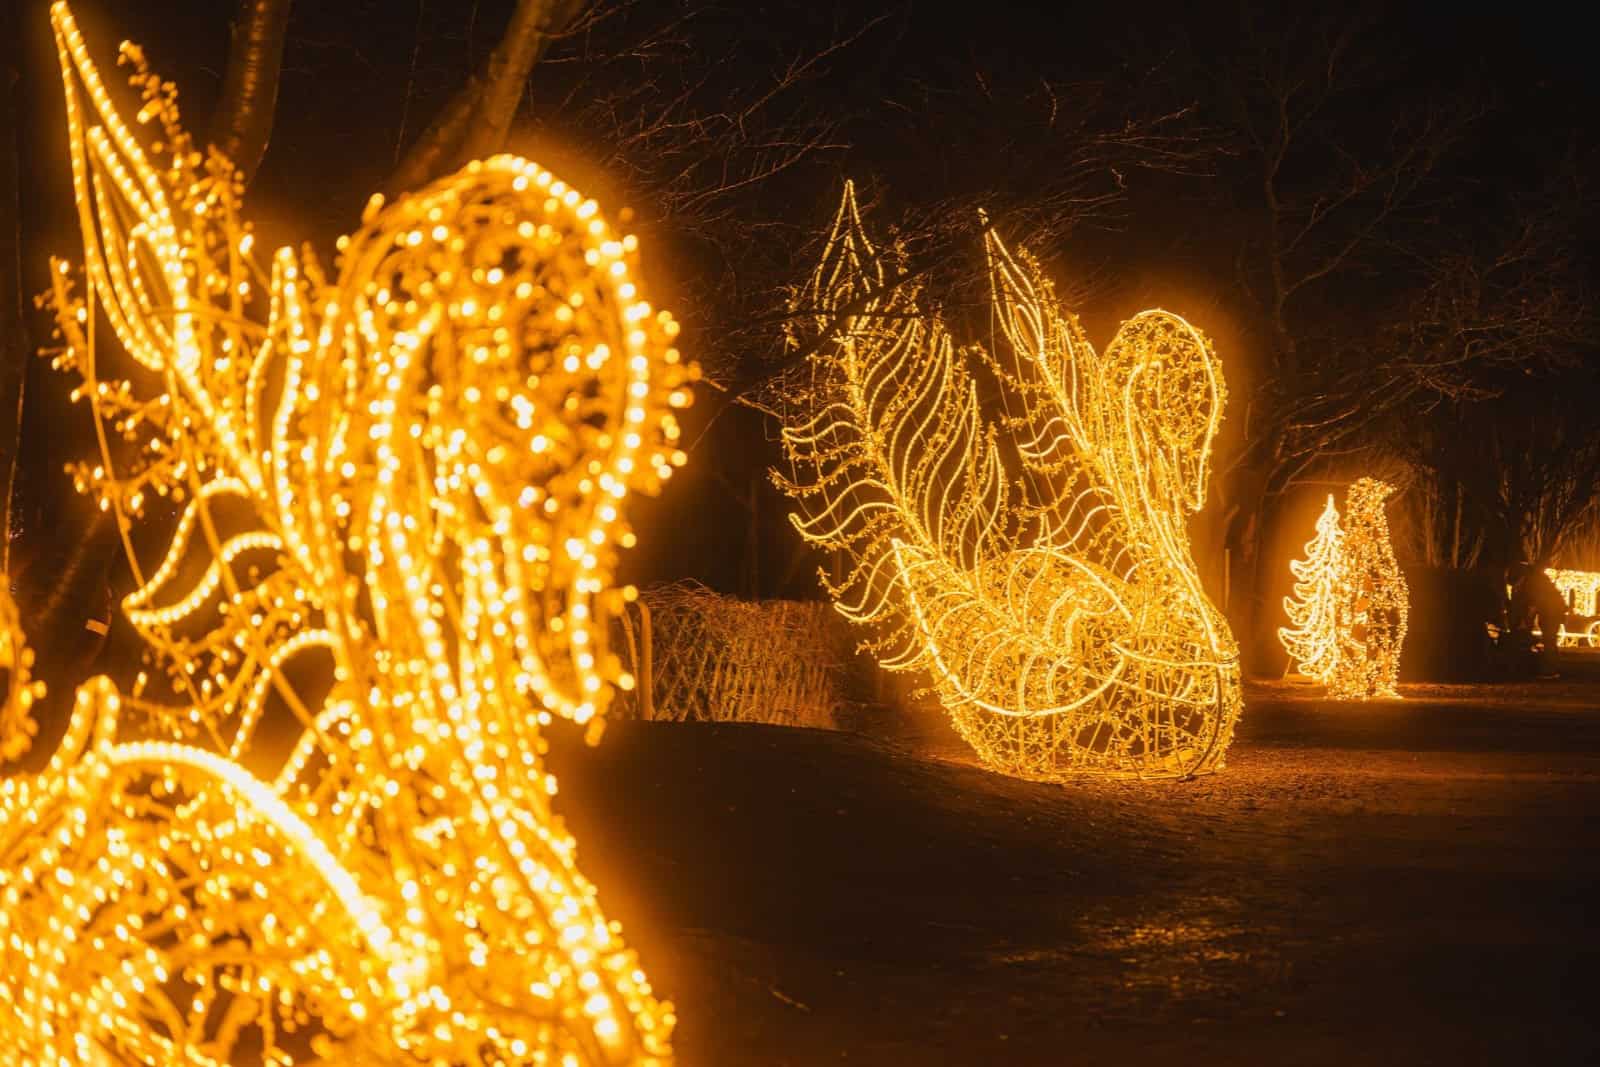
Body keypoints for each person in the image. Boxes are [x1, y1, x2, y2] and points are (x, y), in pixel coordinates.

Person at [1508, 560, 1569, 677]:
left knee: (1549, 638)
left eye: (1516, 584)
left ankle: (1550, 669)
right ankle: (1548, 667)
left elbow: (1533, 604)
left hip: (1552, 610)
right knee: (1548, 638)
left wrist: (1525, 623)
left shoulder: (1534, 582)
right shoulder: (1531, 578)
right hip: (1550, 609)